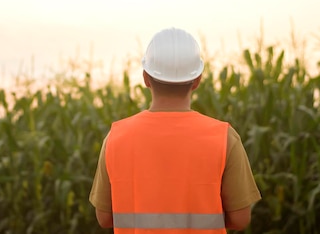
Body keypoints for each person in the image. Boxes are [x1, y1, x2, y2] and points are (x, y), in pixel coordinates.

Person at [89, 27, 261, 233]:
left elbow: (104, 217)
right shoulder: (224, 137)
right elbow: (241, 218)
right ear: (197, 80)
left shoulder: (116, 138)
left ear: (145, 78)